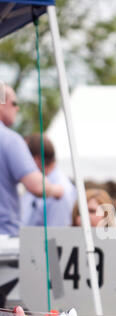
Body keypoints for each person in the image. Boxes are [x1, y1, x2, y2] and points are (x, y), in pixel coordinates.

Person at [0, 84, 64, 237]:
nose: (17, 108)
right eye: (14, 103)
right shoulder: (9, 139)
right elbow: (37, 187)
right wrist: (57, 190)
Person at [21, 133, 77, 227]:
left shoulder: (61, 193)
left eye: (23, 157)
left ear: (37, 159)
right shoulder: (36, 184)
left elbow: (56, 237)